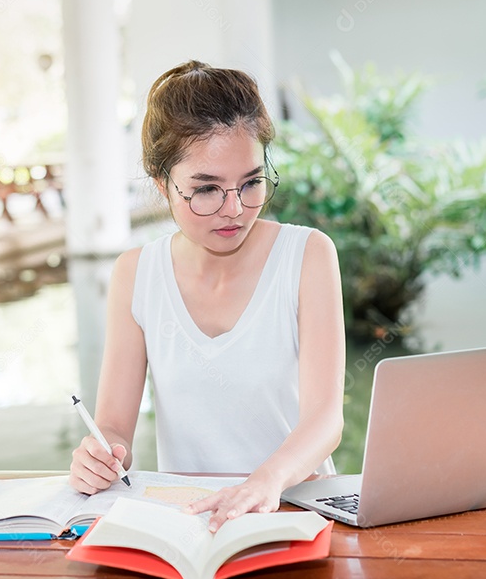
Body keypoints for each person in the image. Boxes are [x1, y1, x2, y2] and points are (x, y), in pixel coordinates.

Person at [68, 60, 345, 532]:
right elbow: (114, 427)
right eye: (206, 189)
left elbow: (325, 421)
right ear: (163, 186)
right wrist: (100, 454)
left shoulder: (307, 256)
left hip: (297, 512)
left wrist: (265, 482)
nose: (234, 209)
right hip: (192, 521)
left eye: (252, 182)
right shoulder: (136, 274)